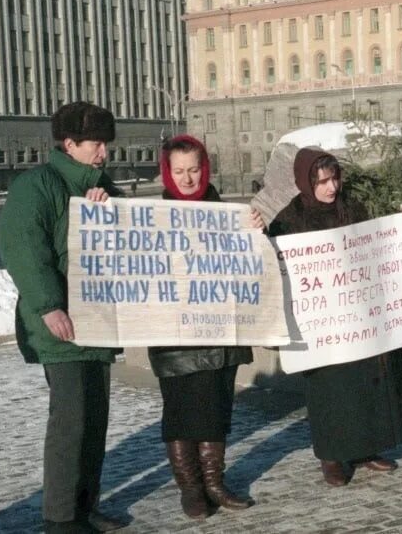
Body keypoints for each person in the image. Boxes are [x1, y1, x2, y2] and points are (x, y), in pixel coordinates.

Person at [0, 102, 126, 533]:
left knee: (95, 422)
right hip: (61, 325)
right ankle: (60, 516)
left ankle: (85, 506)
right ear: (69, 144)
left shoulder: (102, 187)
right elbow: (23, 248)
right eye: (95, 143)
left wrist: (111, 210)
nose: (103, 152)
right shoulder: (37, 185)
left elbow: (135, 238)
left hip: (99, 321)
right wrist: (49, 306)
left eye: (106, 143)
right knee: (71, 422)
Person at [267, 147, 402, 486]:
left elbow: (377, 245)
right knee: (329, 391)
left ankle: (365, 448)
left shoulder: (352, 209)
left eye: (334, 179)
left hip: (356, 316)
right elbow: (275, 265)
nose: (331, 188)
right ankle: (331, 456)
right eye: (322, 182)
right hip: (320, 327)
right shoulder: (289, 219)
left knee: (363, 384)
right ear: (306, 182)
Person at [149, 135, 255, 519]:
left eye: (194, 169)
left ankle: (215, 483)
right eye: (179, 171)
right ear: (167, 173)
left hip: (219, 332)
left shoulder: (224, 213)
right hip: (174, 336)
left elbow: (249, 262)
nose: (188, 178)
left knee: (215, 409)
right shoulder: (150, 218)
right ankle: (191, 488)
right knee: (180, 413)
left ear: (205, 168)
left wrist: (253, 230)